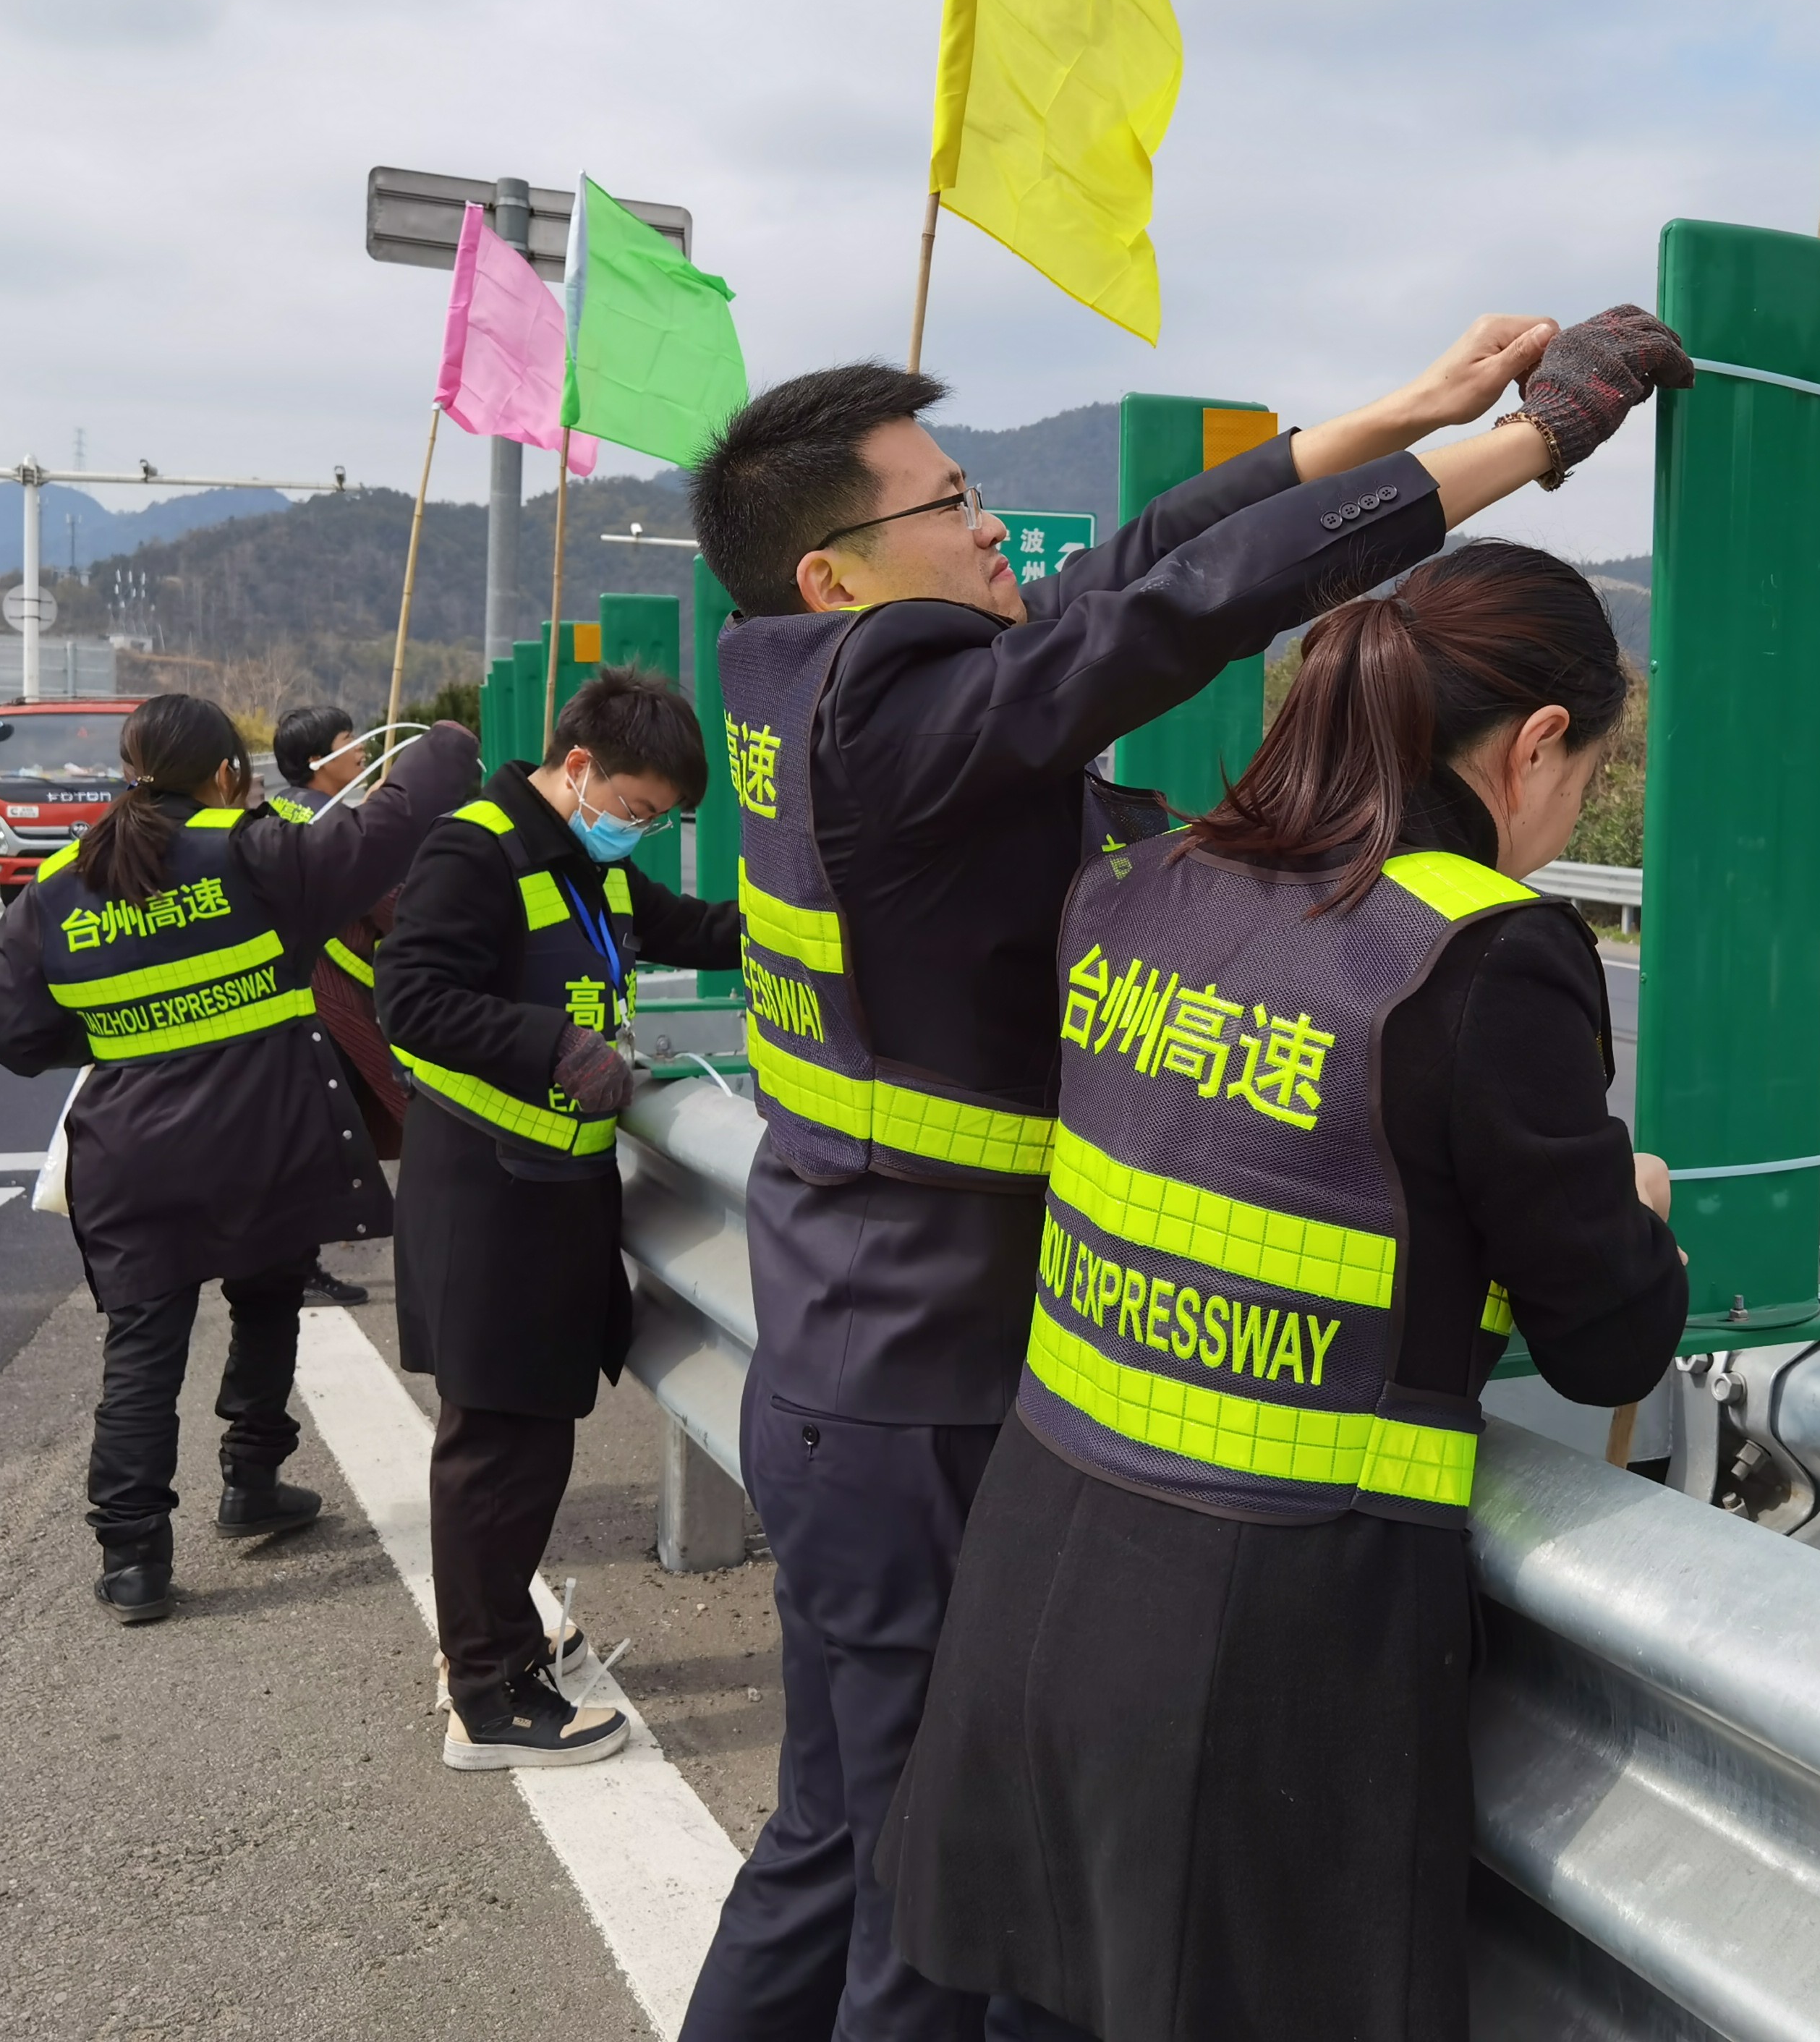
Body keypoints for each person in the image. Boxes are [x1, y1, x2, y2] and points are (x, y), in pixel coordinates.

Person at [676, 304, 1696, 2042]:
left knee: (835, 1835)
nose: (993, 530)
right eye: (949, 505)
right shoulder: (904, 733)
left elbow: (1146, 555)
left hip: (849, 1334)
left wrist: (1412, 407)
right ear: (835, 573)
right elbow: (1180, 609)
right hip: (925, 1376)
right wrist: (1526, 448)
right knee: (923, 1918)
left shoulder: (820, 683)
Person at [882, 543, 1692, 2042]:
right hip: (1267, 1643)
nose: (1569, 814)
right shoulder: (1478, 953)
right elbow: (1605, 1338)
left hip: (1039, 1554)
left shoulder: (1148, 881)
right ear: (1533, 746)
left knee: (1039, 2013)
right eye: (1585, 778)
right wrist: (1638, 1218)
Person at [0, 694, 479, 1625]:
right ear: (223, 774)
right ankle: (251, 1481)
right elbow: (387, 830)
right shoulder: (255, 850)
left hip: (129, 1153)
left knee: (142, 1347)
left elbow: (5, 1026)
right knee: (268, 1298)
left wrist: (124, 1035)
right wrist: (447, 744)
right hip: (264, 1136)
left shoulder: (58, 884)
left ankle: (133, 1560)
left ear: (129, 769)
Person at [372, 666, 741, 1770]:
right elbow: (412, 999)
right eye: (636, 807)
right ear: (578, 767)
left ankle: (490, 1642)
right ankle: (489, 1701)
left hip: (550, 1191)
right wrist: (553, 1047)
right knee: (499, 1450)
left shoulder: (588, 865)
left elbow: (696, 927)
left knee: (525, 1441)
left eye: (662, 819)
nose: (643, 830)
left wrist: (816, 927)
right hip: (490, 1193)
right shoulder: (476, 851)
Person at [272, 702, 409, 1299]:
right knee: (334, 1141)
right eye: (349, 740)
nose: (362, 749)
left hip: (289, 1004)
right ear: (316, 760)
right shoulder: (333, 825)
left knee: (309, 1142)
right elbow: (393, 906)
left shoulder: (274, 815)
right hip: (335, 1008)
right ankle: (295, 1266)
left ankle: (294, 1265)